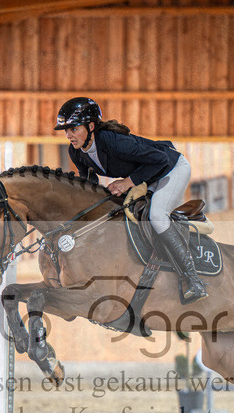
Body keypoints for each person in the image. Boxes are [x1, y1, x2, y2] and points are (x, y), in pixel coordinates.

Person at [53, 96, 207, 303]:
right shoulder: (76, 152)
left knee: (157, 216)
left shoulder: (111, 141)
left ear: (90, 126)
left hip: (171, 168)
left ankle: (193, 280)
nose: (69, 135)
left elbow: (160, 160)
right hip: (146, 176)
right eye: (67, 130)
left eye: (74, 129)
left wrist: (127, 183)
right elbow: (88, 185)